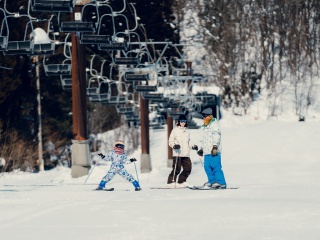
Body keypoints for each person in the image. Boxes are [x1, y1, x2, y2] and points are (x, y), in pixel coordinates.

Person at [197, 108, 227, 189]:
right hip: (207, 152)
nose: (203, 118)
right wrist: (201, 149)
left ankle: (221, 182)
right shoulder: (204, 126)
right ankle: (212, 181)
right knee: (207, 167)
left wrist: (215, 147)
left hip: (213, 151)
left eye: (204, 116)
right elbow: (203, 139)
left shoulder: (214, 124)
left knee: (216, 167)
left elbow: (216, 136)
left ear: (209, 116)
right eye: (202, 116)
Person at [167, 114, 198, 187]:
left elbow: (188, 142)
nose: (183, 123)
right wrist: (174, 146)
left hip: (186, 153)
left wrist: (193, 146)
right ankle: (171, 182)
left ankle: (181, 181)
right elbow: (170, 141)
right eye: (181, 121)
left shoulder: (187, 131)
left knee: (188, 168)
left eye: (184, 121)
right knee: (176, 169)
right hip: (178, 153)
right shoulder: (175, 130)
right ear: (179, 122)